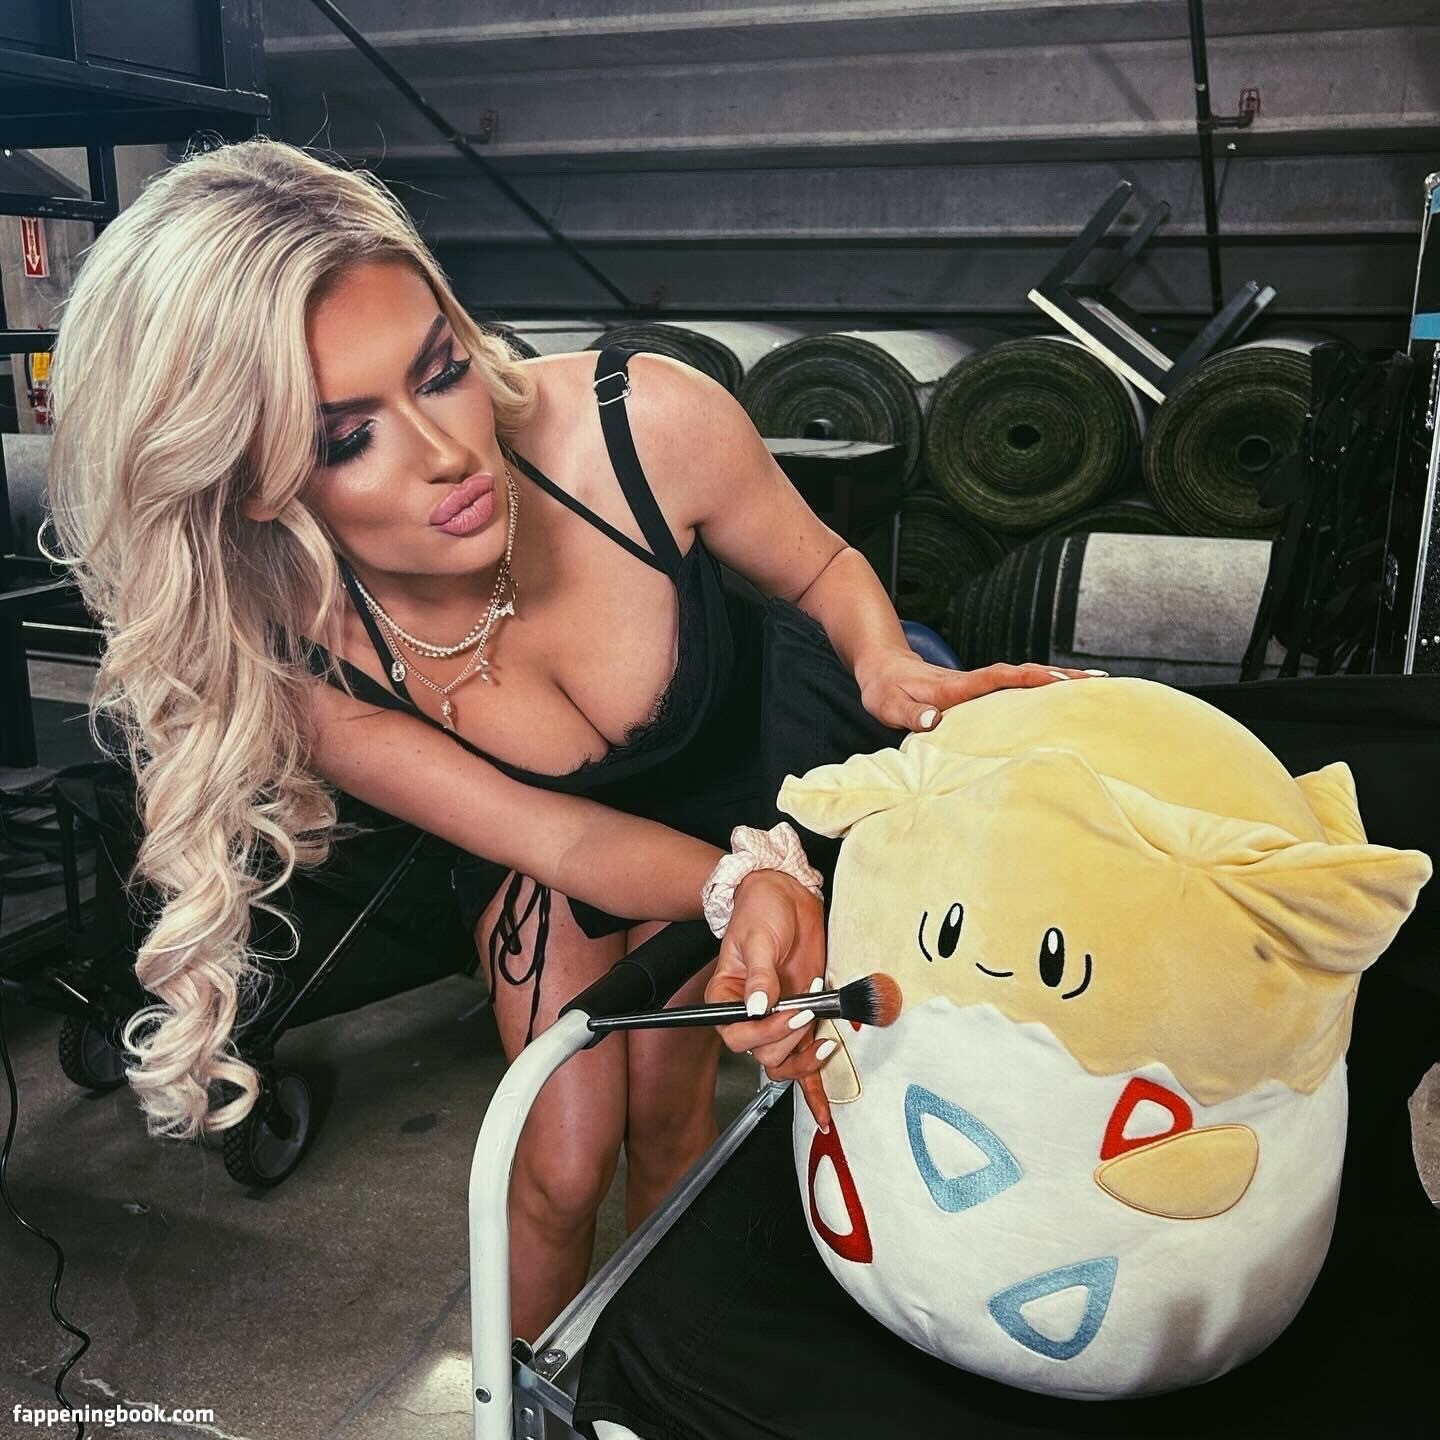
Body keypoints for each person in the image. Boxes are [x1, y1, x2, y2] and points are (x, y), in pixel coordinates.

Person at [43, 136, 1103, 1338]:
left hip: (750, 758)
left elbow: (818, 566)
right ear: (247, 480)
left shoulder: (641, 423)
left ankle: (655, 1374)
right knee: (555, 1165)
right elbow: (556, 838)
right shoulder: (292, 656)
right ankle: (529, 1404)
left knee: (671, 1119)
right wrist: (735, 888)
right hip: (564, 840)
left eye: (439, 371)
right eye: (347, 438)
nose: (447, 453)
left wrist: (884, 663)